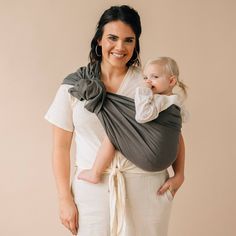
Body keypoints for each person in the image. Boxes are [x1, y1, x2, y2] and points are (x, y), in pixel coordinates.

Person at [44, 5, 186, 236]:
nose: (120, 47)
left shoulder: (147, 83)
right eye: (112, 38)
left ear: (135, 44)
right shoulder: (76, 86)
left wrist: (179, 175)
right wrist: (64, 199)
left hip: (147, 190)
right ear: (99, 40)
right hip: (92, 190)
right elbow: (60, 147)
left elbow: (172, 130)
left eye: (129, 40)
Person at [78, 56, 187, 184]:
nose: (148, 81)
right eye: (145, 78)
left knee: (114, 130)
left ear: (171, 81)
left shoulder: (160, 100)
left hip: (151, 157)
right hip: (168, 157)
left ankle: (95, 173)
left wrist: (144, 92)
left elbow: (142, 116)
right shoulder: (175, 101)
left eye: (155, 77)